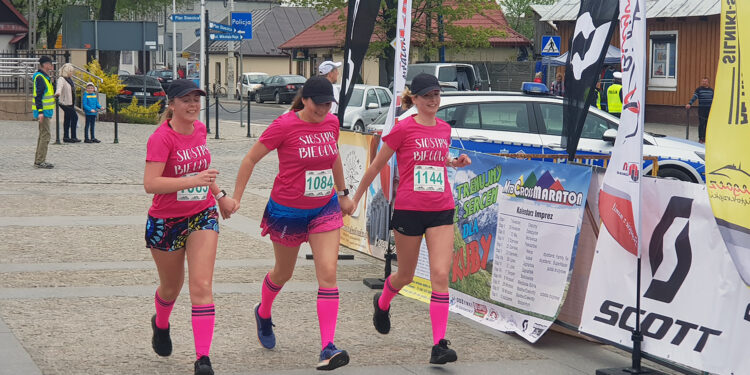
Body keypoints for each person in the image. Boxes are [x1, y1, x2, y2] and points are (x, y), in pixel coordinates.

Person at [230, 75, 355, 371]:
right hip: (287, 210)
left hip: (324, 207)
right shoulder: (285, 125)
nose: (324, 109)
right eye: (319, 104)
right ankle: (263, 311)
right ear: (305, 99)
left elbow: (333, 156)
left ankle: (327, 347)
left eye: (328, 104)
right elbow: (250, 160)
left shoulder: (331, 123)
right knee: (283, 273)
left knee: (328, 271)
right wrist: (236, 198)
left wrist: (342, 193)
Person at [346, 73, 472, 365]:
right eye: (427, 95)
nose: (433, 100)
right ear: (414, 99)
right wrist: (355, 198)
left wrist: (454, 162)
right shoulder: (403, 128)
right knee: (406, 275)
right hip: (410, 210)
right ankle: (382, 303)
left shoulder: (443, 128)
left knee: (440, 276)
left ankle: (439, 345)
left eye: (437, 94)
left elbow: (433, 159)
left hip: (441, 208)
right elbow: (376, 166)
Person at [143, 79, 236, 375]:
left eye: (196, 99)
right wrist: (192, 181)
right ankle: (160, 324)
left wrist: (220, 195)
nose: (193, 105)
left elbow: (202, 173)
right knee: (172, 288)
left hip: (201, 214)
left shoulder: (200, 130)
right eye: (186, 100)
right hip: (165, 221)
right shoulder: (161, 138)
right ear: (171, 104)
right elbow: (151, 184)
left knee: (201, 285)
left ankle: (203, 359)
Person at [32, 55, 55, 169]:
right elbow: (38, 96)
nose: (52, 66)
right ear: (45, 65)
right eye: (50, 64)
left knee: (42, 135)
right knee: (45, 135)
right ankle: (40, 161)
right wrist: (40, 112)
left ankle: (38, 160)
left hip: (46, 111)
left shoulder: (45, 77)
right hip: (43, 112)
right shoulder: (41, 77)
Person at [55, 63, 80, 143]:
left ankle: (66, 137)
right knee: (74, 117)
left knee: (67, 119)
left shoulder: (69, 79)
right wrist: (58, 93)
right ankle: (73, 136)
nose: (72, 73)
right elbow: (59, 87)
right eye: (71, 71)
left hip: (70, 102)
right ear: (67, 71)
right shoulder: (61, 79)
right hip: (64, 102)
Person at [686, 77, 714, 144]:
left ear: (708, 82)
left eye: (705, 81)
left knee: (708, 125)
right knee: (701, 124)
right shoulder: (699, 90)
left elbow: (714, 99)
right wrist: (690, 103)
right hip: (701, 109)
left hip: (709, 109)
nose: (704, 83)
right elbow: (694, 97)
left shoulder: (711, 90)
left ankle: (706, 138)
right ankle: (701, 138)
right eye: (703, 81)